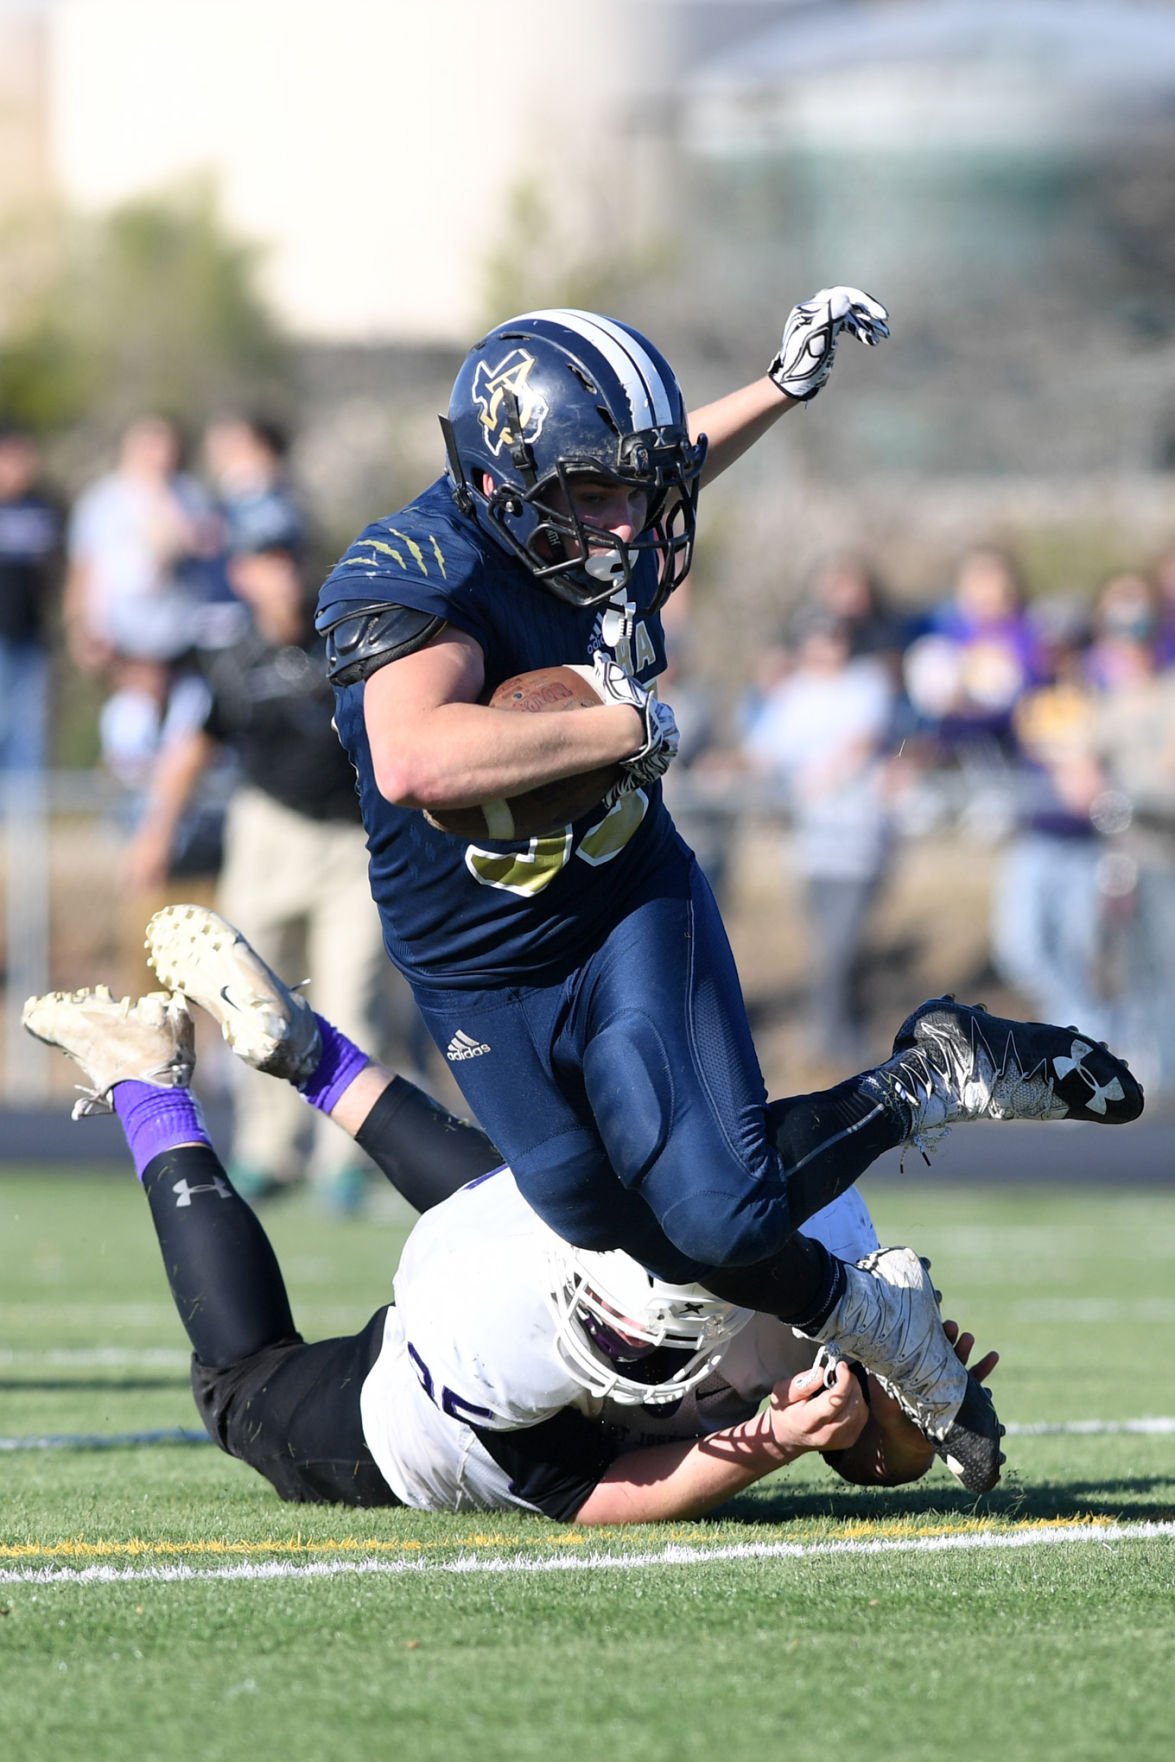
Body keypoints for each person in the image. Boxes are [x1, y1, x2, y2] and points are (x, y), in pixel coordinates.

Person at [314, 295, 1140, 1494]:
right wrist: (616, 724)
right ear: (502, 484)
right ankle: (902, 1178)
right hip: (480, 961)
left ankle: (926, 1100)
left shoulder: (592, 509)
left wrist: (779, 390)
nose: (628, 525)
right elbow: (415, 758)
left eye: (637, 495)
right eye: (595, 498)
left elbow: (658, 458)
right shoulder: (415, 571)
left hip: (623, 904)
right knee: (604, 1227)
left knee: (717, 1216)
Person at [21, 906, 998, 1520]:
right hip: (431, 1374)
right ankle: (148, 1078)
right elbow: (588, 1495)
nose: (630, 1363)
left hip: (522, 1211)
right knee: (240, 1388)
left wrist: (907, 1404)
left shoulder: (817, 1244)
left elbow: (886, 1458)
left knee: (500, 1182)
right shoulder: (489, 1328)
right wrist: (776, 1441)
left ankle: (308, 1051)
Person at [123, 513, 396, 1214]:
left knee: (352, 999)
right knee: (250, 997)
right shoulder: (233, 656)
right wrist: (157, 831)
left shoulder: (347, 636)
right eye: (263, 560)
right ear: (242, 573)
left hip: (351, 840)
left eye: (287, 557)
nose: (278, 573)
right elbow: (195, 746)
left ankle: (344, 1161)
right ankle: (265, 1153)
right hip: (268, 832)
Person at [0, 423, 63, 775]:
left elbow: (59, 568)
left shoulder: (45, 506)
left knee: (28, 730)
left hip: (31, 633)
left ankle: (24, 823)